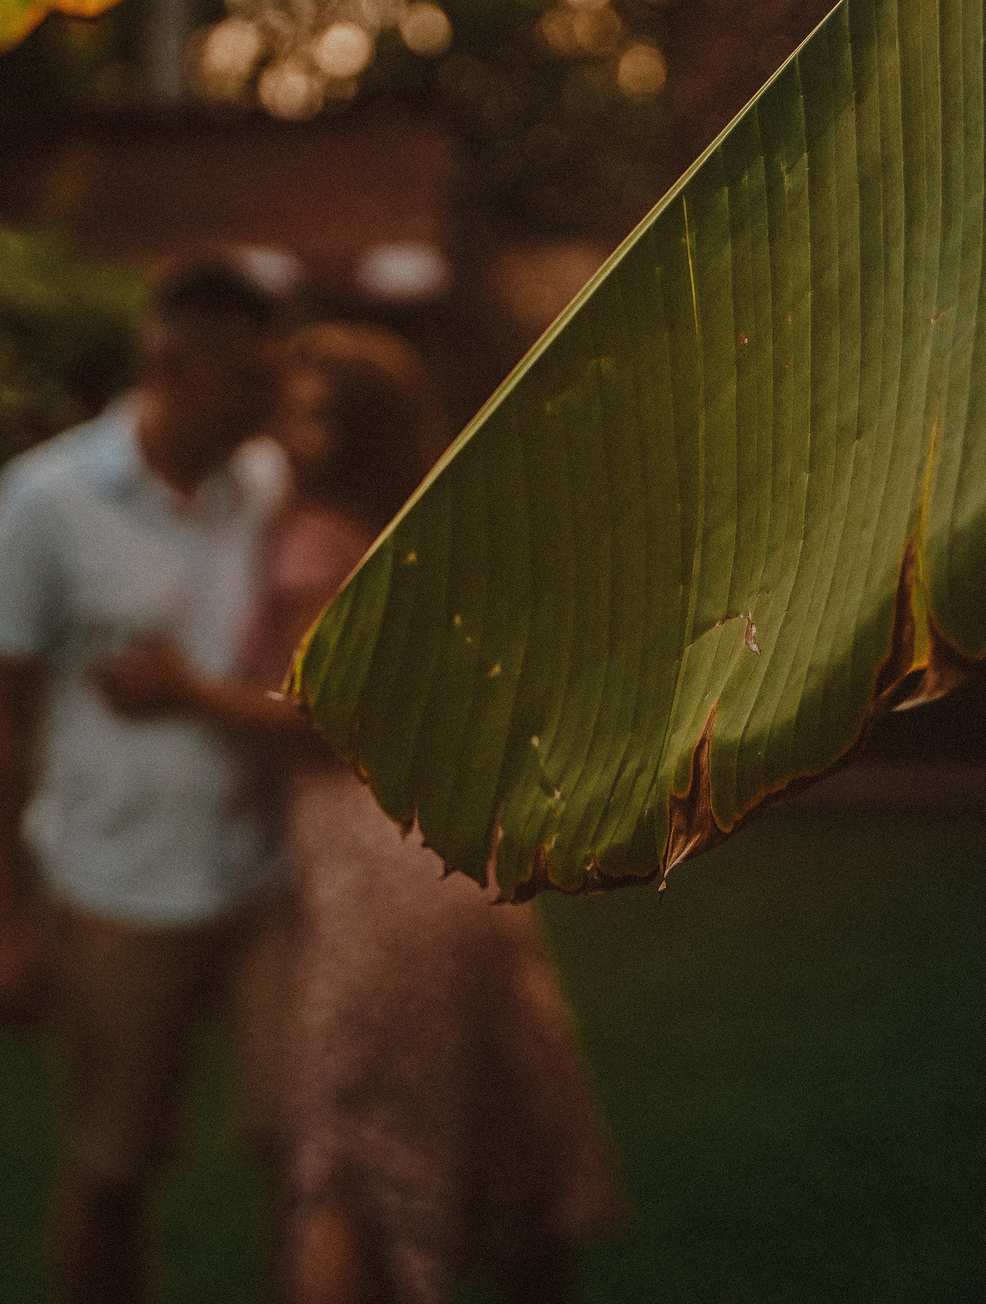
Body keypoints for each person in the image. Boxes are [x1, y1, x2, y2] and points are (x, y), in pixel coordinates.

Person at [95, 322, 627, 1304]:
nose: (278, 429)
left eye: (301, 413)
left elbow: (325, 720)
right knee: (502, 1120)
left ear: (342, 435)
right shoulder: (411, 533)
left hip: (368, 863)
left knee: (352, 1149)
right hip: (456, 855)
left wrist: (181, 689)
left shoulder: (306, 546)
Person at [0, 254, 295, 1304]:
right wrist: (5, 925)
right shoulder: (43, 501)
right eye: (247, 380)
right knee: (113, 1171)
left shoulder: (266, 484)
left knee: (309, 1150)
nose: (266, 404)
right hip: (114, 891)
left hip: (268, 881)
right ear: (168, 364)